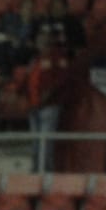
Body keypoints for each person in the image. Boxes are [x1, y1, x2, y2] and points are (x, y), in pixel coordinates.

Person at [27, 33, 70, 172]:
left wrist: (49, 93)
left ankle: (45, 172)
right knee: (35, 142)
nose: (40, 44)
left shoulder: (57, 57)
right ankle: (36, 170)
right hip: (33, 106)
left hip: (49, 106)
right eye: (39, 41)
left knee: (45, 141)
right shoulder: (36, 60)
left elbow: (62, 79)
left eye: (43, 41)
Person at [0, 0, 37, 75]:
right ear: (20, 9)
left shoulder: (36, 25)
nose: (28, 10)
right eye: (26, 7)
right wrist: (9, 38)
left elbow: (35, 43)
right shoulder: (9, 20)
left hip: (22, 53)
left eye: (31, 8)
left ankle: (4, 74)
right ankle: (3, 73)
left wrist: (23, 43)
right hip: (5, 49)